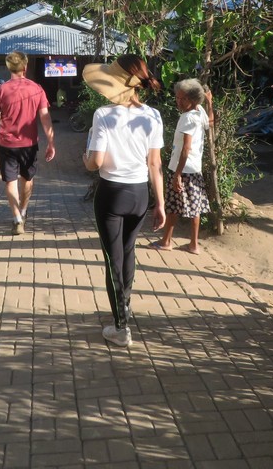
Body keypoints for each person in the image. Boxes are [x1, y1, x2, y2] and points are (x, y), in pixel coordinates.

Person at [82, 55, 165, 347]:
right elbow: (155, 163)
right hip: (140, 194)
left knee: (112, 259)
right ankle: (124, 306)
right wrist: (161, 203)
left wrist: (85, 158)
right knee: (128, 251)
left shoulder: (103, 114)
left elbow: (96, 163)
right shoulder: (153, 116)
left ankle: (120, 327)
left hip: (112, 194)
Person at [0, 51, 56, 235]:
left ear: (8, 67)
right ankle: (24, 211)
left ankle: (17, 218)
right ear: (25, 67)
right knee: (28, 178)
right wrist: (51, 142)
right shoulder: (37, 89)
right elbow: (45, 118)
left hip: (6, 144)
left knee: (10, 181)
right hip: (29, 144)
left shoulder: (0, 90)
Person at [152, 79, 215, 254]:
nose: (179, 102)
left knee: (172, 207)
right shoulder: (199, 111)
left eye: (183, 99)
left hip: (182, 169)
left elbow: (186, 148)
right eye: (177, 98)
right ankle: (193, 245)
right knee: (195, 208)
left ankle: (166, 242)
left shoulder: (187, 118)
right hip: (194, 169)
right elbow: (210, 123)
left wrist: (177, 174)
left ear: (193, 99)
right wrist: (209, 103)